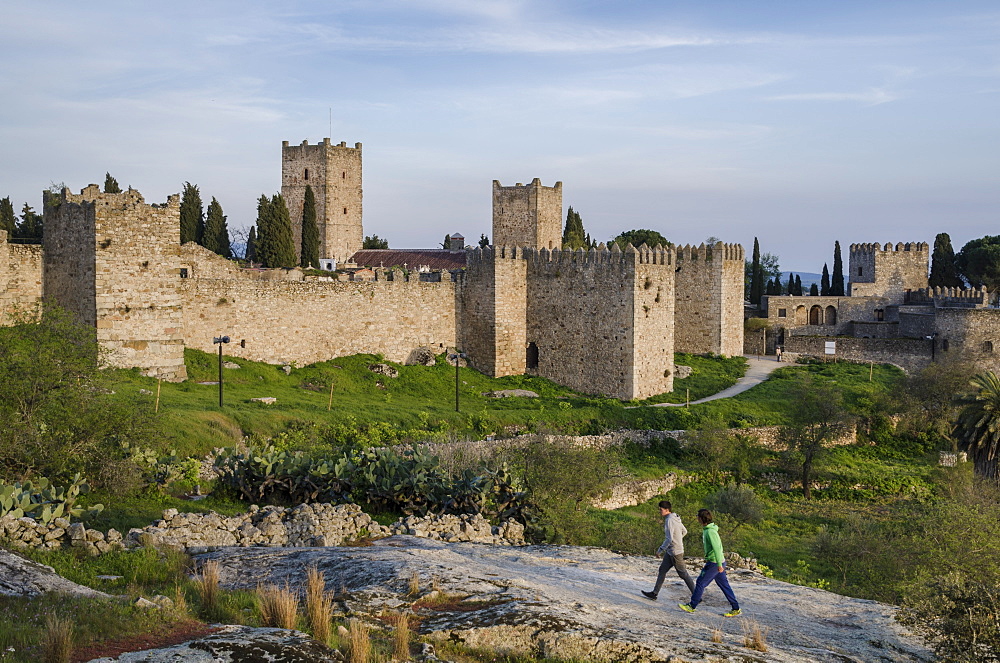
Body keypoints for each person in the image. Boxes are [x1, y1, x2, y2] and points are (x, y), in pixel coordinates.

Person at [678, 508, 741, 617]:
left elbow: (717, 548)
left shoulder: (710, 531)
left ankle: (692, 606)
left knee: (700, 583)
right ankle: (736, 608)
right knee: (724, 585)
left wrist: (720, 565)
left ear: (701, 518)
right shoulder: (708, 529)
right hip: (717, 562)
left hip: (715, 563)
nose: (696, 518)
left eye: (697, 516)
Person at [641, 500, 696, 600]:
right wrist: (678, 540)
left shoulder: (669, 520)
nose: (660, 512)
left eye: (661, 510)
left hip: (675, 552)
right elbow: (685, 531)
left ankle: (697, 595)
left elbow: (669, 538)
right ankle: (654, 593)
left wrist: (660, 549)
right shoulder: (676, 518)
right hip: (671, 551)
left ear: (667, 510)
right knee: (662, 570)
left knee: (683, 574)